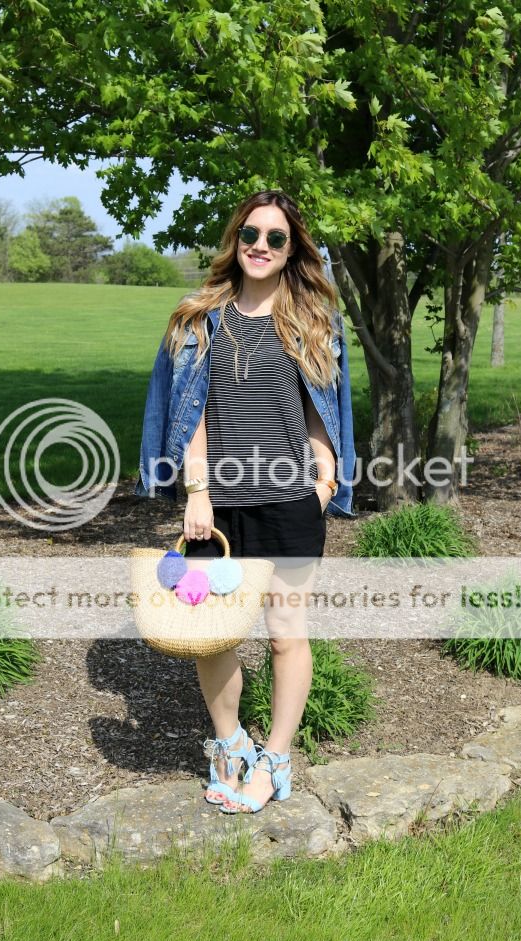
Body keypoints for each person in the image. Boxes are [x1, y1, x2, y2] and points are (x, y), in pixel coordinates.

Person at [135, 189, 356, 813]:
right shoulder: (198, 318)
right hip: (217, 507)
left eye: (275, 237)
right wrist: (196, 492)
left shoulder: (312, 320)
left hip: (289, 501)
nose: (261, 246)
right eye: (250, 234)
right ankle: (231, 745)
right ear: (236, 241)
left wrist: (325, 483)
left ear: (292, 249)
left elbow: (321, 411)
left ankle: (275, 762)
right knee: (213, 636)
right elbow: (193, 414)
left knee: (285, 635)